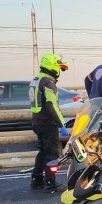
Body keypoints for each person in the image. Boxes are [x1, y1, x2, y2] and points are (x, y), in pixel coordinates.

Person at [30, 53, 70, 191]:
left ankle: (37, 179)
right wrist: (62, 124)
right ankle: (50, 182)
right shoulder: (48, 83)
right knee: (52, 153)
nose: (60, 71)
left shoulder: (36, 80)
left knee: (42, 152)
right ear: (52, 66)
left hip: (37, 121)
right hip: (48, 123)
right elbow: (51, 105)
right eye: (59, 67)